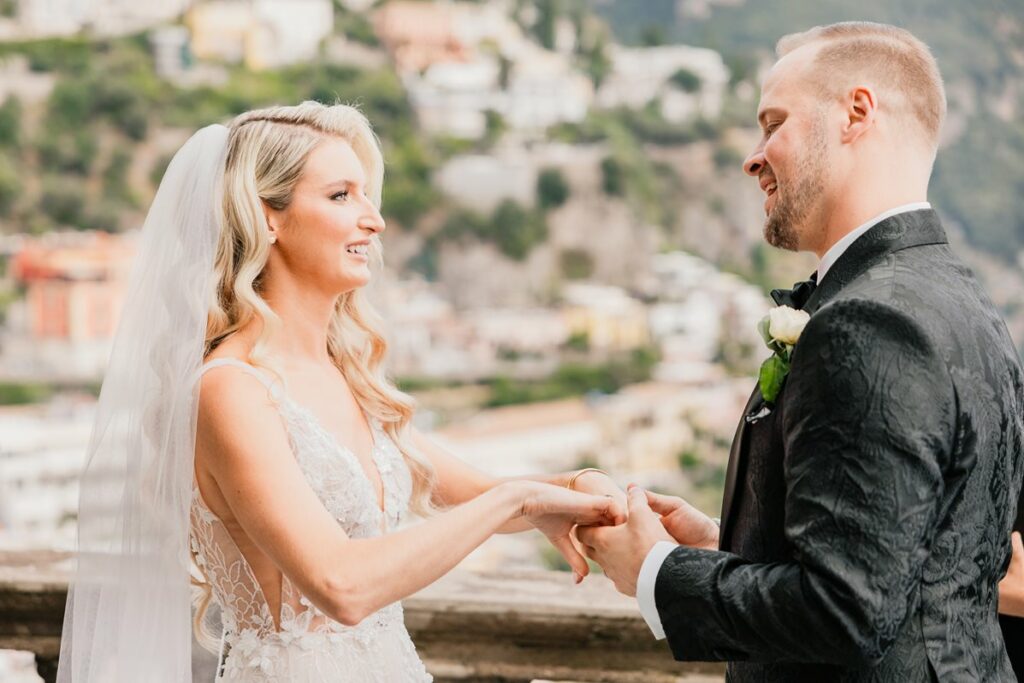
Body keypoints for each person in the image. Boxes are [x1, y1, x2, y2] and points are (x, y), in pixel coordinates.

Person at [57, 102, 626, 682]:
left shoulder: (346, 374)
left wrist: (581, 489)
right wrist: (521, 503)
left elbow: (474, 494)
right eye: (340, 196)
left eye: (367, 195)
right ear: (267, 217)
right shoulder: (230, 391)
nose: (374, 220)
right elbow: (342, 586)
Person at [577, 21, 1024, 681]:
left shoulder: (869, 320)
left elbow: (846, 610)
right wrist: (726, 544)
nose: (752, 157)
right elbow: (910, 553)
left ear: (856, 113)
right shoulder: (966, 301)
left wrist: (653, 569)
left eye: (773, 122)